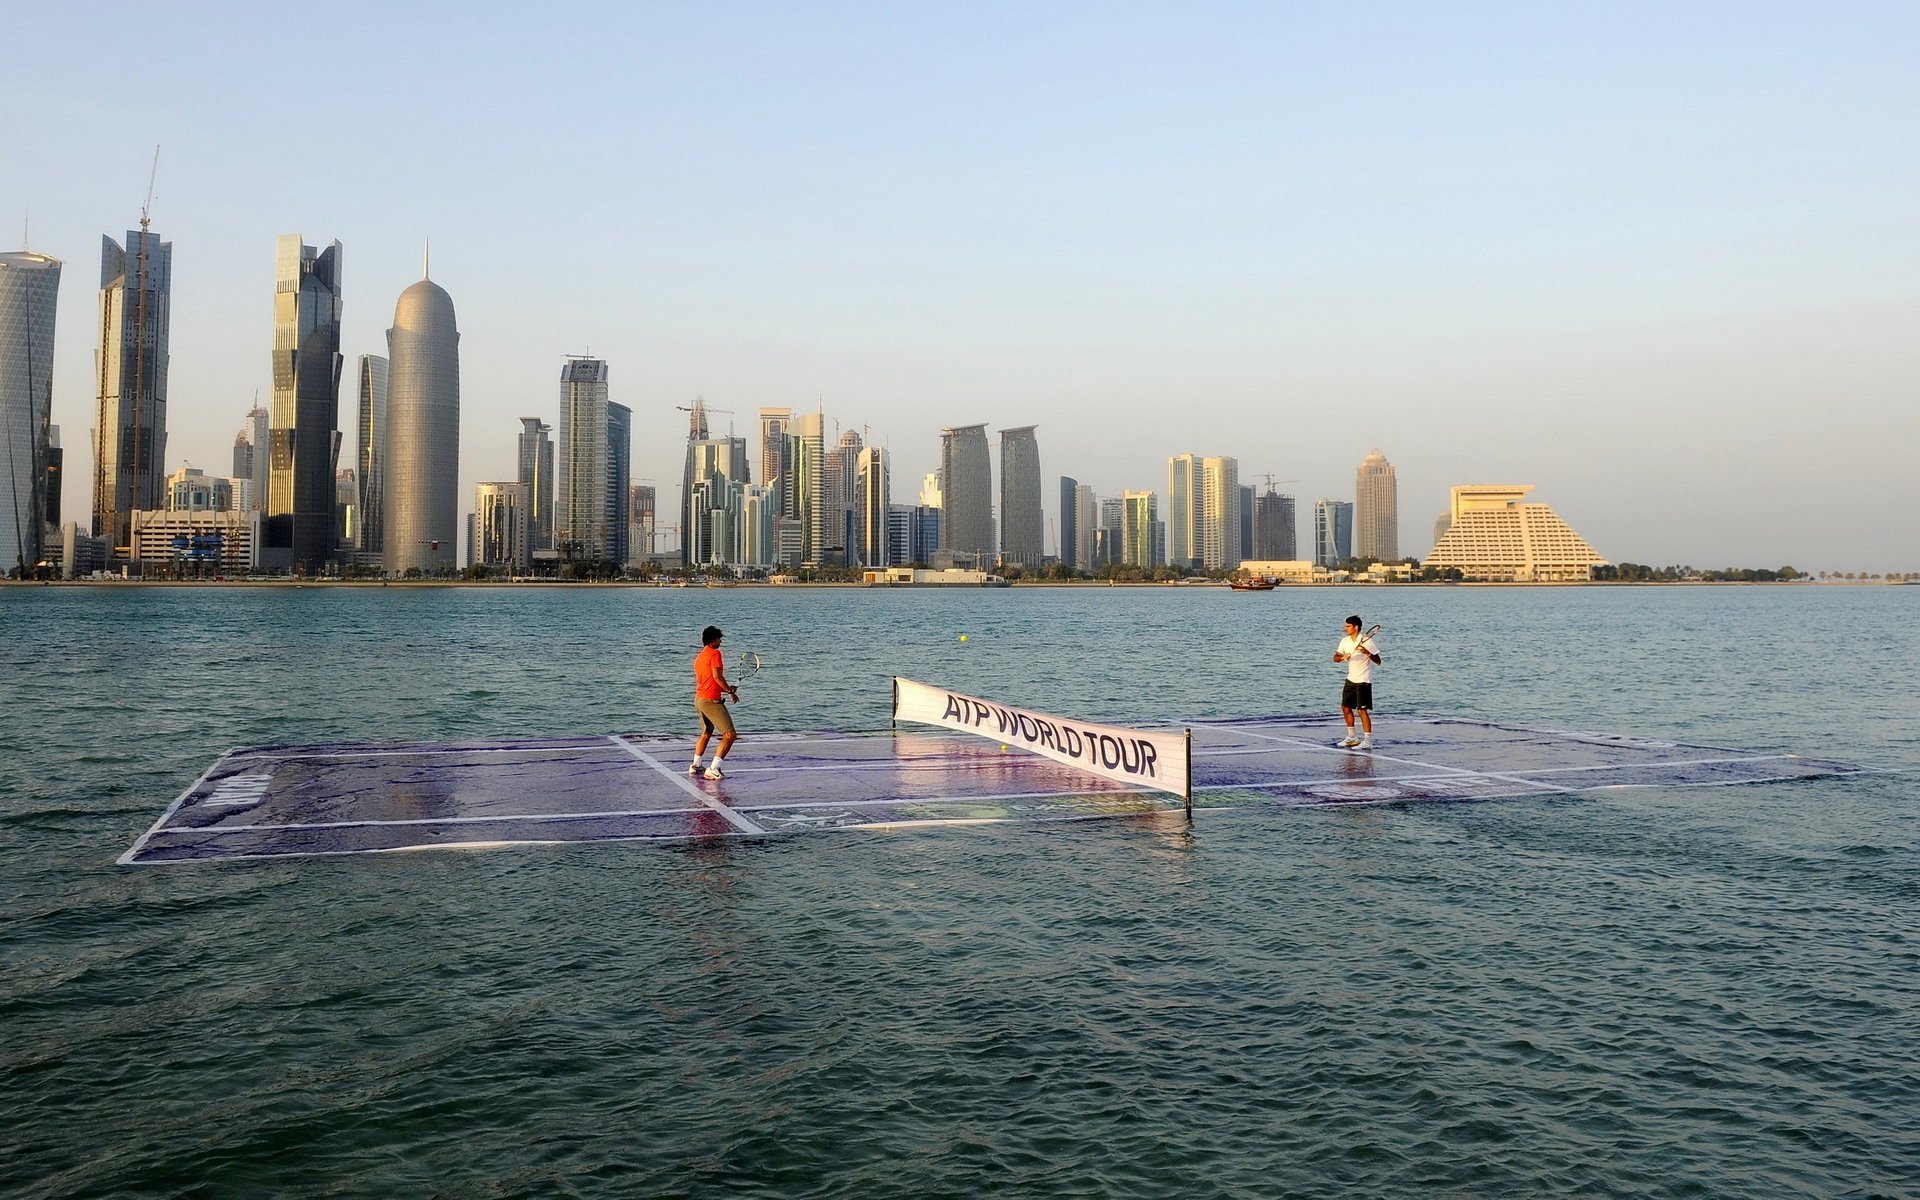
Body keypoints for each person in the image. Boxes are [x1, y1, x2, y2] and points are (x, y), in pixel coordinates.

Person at [690, 625, 740, 779]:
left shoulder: (700, 656)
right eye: (719, 638)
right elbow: (717, 677)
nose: (721, 641)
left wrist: (727, 689)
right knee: (730, 735)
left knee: (707, 731)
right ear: (712, 640)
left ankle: (696, 765)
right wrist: (730, 691)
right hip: (711, 700)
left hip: (699, 699)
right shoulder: (715, 653)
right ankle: (713, 769)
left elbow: (709, 679)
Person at [1332, 615, 1381, 749]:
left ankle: (1367, 741)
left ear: (1356, 627)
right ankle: (1351, 737)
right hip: (1351, 679)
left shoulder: (1366, 641)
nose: (1345, 628)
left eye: (1348, 626)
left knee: (1361, 711)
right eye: (1345, 625)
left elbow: (1378, 661)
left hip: (1363, 680)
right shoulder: (1345, 641)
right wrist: (1343, 657)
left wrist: (1367, 653)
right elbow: (1335, 658)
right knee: (1345, 708)